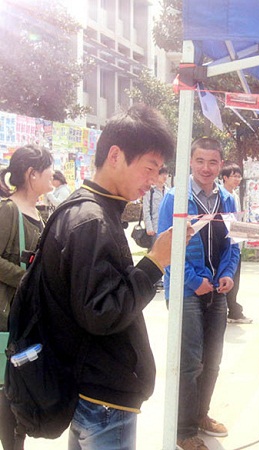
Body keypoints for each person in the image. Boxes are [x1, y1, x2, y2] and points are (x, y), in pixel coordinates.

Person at [11, 105, 183, 450]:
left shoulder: (85, 208)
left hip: (90, 389)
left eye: (158, 171)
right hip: (102, 398)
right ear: (115, 156)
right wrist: (154, 262)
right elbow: (102, 313)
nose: (153, 180)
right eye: (149, 168)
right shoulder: (92, 220)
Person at [158, 137, 240, 450]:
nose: (206, 168)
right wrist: (193, 281)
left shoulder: (227, 200)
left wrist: (227, 273)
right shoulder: (175, 198)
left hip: (218, 290)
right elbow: (166, 247)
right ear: (190, 162)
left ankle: (201, 414)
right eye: (200, 161)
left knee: (212, 360)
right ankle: (184, 430)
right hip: (186, 291)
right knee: (190, 363)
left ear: (221, 165)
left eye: (213, 162)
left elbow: (234, 243)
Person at [0, 144, 54, 450]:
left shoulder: (39, 213)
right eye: (48, 170)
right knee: (8, 390)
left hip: (27, 318)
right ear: (32, 174)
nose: (53, 175)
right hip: (8, 318)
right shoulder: (8, 211)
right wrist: (27, 279)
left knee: (21, 387)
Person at [220, 162, 252, 324]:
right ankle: (232, 310)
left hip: (236, 242)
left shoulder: (235, 195)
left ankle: (233, 310)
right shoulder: (221, 196)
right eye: (234, 176)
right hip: (226, 243)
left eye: (239, 176)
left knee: (235, 278)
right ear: (225, 177)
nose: (237, 179)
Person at [142, 167, 169, 290]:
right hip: (155, 227)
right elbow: (146, 210)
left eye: (166, 174)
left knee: (166, 253)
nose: (165, 177)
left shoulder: (168, 191)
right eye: (162, 174)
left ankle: (163, 279)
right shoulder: (150, 192)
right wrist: (149, 227)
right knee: (154, 254)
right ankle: (153, 280)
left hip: (166, 227)